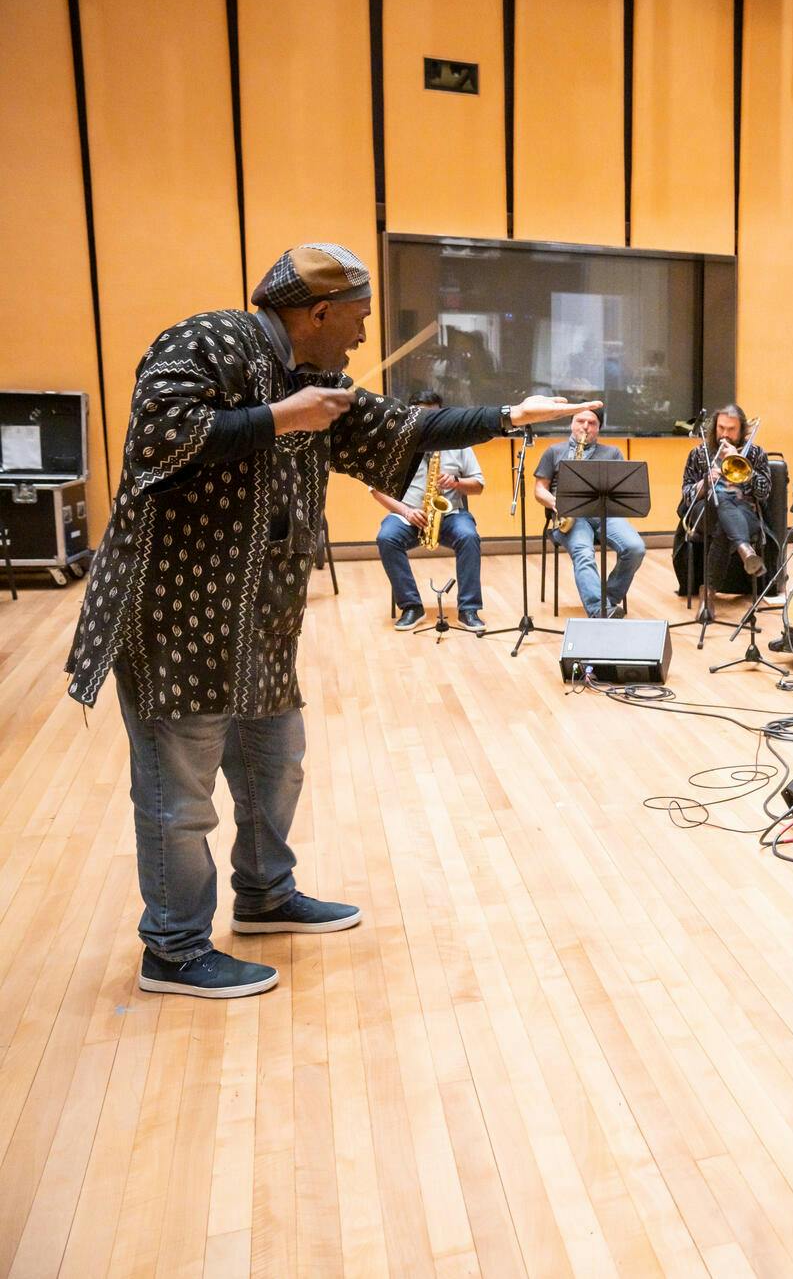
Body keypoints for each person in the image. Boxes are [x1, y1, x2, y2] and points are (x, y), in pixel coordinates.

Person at [63, 242, 593, 999]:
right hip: (173, 613)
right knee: (179, 795)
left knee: (274, 767)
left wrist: (510, 417)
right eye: (356, 318)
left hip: (259, 620)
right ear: (316, 311)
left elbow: (404, 427)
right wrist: (281, 417)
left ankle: (265, 896)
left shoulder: (320, 382)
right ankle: (174, 948)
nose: (362, 335)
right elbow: (159, 437)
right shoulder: (204, 342)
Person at [370, 389, 486, 630]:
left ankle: (469, 609)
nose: (431, 423)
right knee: (386, 538)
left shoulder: (459, 443)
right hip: (408, 515)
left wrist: (456, 482)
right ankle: (411, 606)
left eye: (435, 416)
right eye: (424, 416)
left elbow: (478, 486)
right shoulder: (395, 443)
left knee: (469, 536)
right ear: (412, 414)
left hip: (450, 514)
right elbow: (376, 489)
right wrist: (405, 511)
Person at [536, 405, 647, 618]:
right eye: (580, 421)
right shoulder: (554, 451)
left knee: (635, 548)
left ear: (599, 428)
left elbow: (621, 491)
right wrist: (556, 503)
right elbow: (539, 489)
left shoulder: (612, 452)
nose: (585, 426)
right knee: (584, 553)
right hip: (571, 516)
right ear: (571, 423)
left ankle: (606, 600)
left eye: (592, 423)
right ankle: (600, 610)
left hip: (606, 513)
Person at [680, 404, 771, 614]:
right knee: (720, 497)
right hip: (705, 510)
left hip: (744, 513)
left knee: (723, 527)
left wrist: (745, 467)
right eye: (721, 428)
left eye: (731, 429)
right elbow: (686, 496)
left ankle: (707, 595)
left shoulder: (756, 453)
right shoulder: (699, 453)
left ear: (742, 431)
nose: (725, 434)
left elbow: (764, 493)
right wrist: (704, 484)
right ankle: (745, 549)